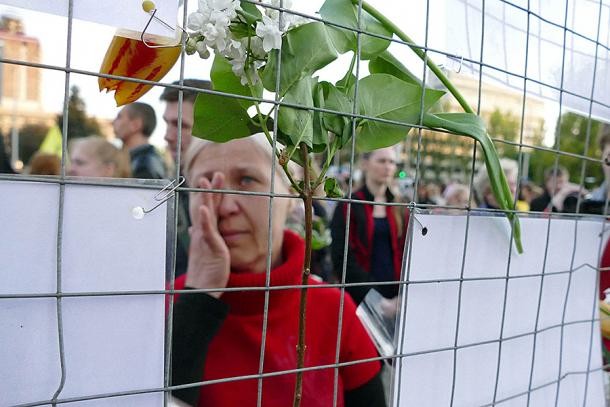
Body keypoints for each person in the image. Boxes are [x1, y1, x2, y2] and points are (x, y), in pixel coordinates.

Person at [170, 134, 385, 406]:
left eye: (247, 181)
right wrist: (198, 298)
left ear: (291, 193)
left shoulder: (334, 310)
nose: (225, 206)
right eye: (206, 185)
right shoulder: (161, 307)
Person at [330, 147, 408, 305]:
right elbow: (342, 258)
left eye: (392, 162)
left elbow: (405, 252)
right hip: (359, 296)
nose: (388, 167)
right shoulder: (348, 205)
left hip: (396, 296)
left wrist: (402, 296)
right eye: (381, 161)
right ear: (365, 164)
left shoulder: (399, 206)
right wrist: (375, 300)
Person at [160, 79, 212, 278]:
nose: (167, 136)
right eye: (167, 123)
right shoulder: (170, 188)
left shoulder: (244, 191)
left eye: (180, 125)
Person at [113, 102, 166, 179]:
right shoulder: (139, 159)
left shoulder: (146, 163)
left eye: (119, 117)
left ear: (135, 125)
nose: (113, 122)